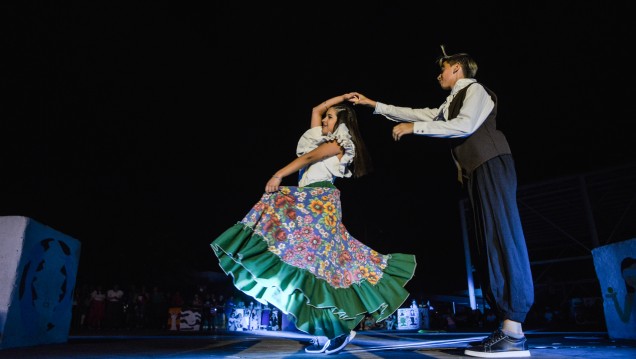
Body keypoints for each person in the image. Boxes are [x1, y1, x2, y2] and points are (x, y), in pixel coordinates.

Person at [349, 46, 534, 358]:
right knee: (488, 243)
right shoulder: (452, 100)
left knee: (502, 239)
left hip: (491, 163)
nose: (439, 74)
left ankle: (514, 331)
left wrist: (414, 129)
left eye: (443, 69)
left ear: (458, 69)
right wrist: (374, 104)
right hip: (478, 169)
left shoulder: (475, 89)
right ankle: (507, 327)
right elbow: (419, 112)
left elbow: (463, 126)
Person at [211, 93, 417, 355]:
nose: (324, 121)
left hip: (319, 203)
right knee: (311, 265)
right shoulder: (318, 137)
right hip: (309, 203)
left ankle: (338, 330)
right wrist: (341, 97)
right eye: (326, 117)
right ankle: (330, 327)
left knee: (321, 266)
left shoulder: (339, 144)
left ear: (341, 121)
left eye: (331, 118)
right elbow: (316, 108)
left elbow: (308, 159)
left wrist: (279, 174)